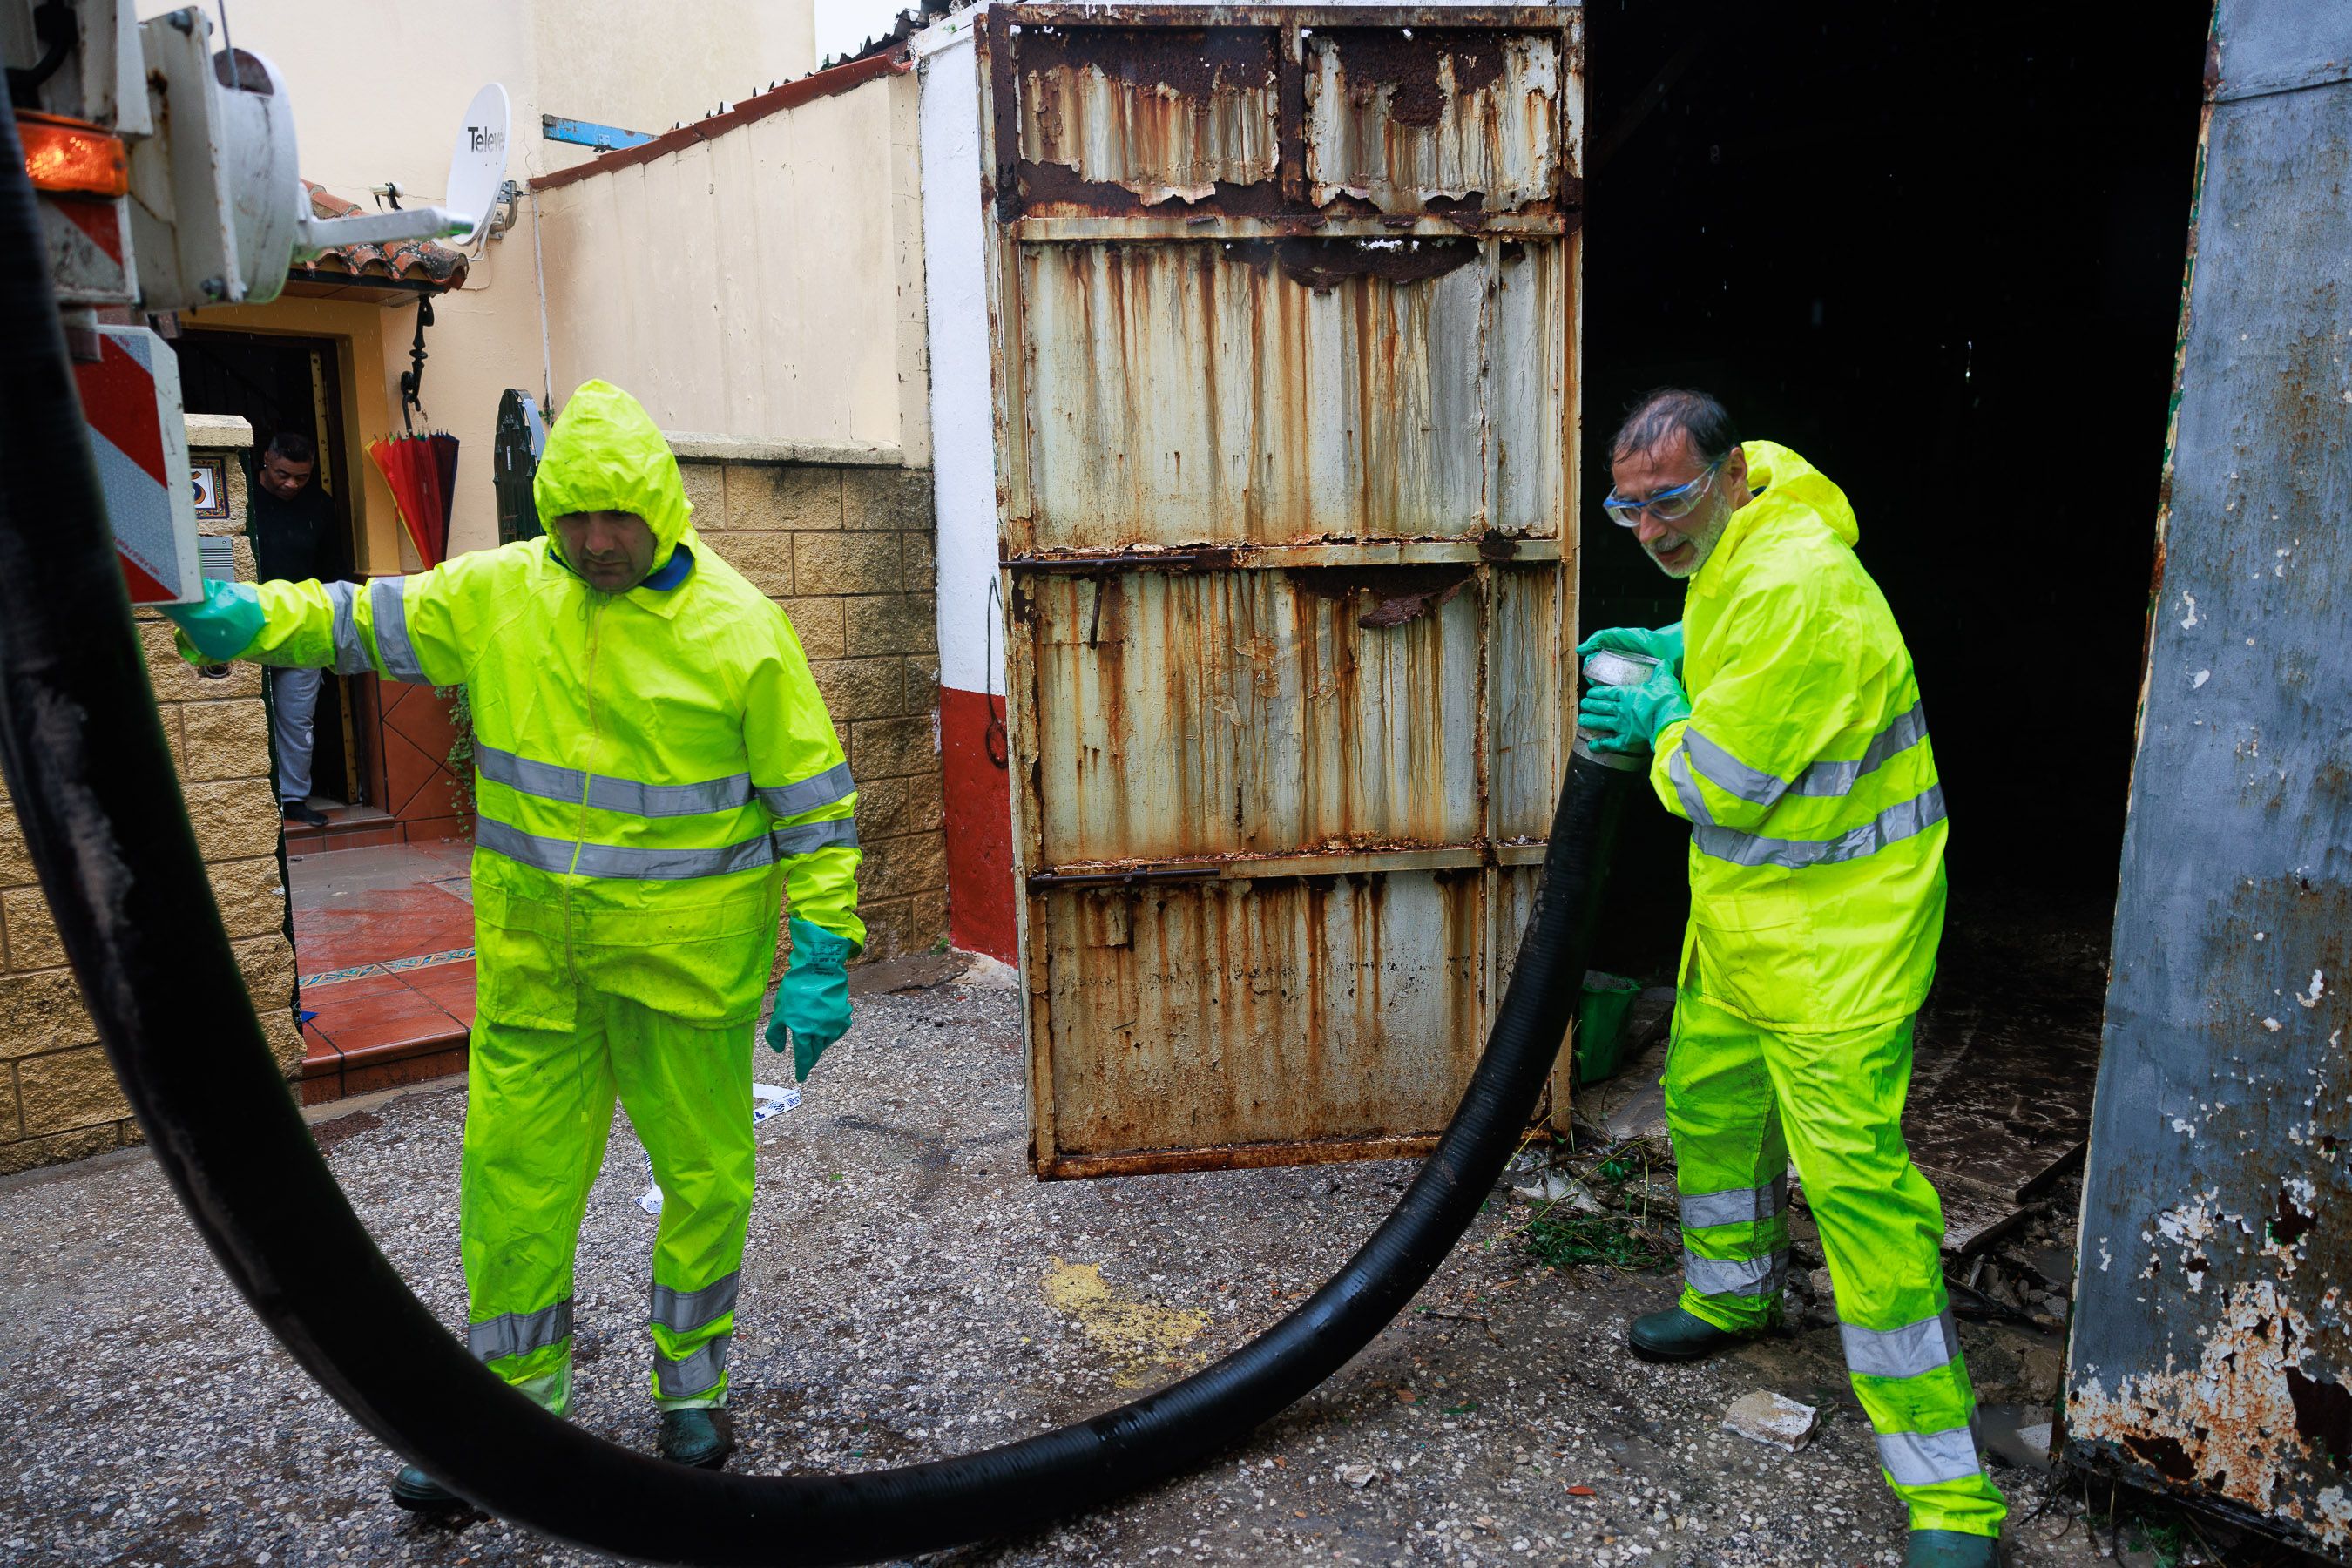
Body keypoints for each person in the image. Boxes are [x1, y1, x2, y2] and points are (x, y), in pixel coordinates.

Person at [166, 381, 865, 1504]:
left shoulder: (741, 629)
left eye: (616, 518)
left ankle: (691, 1390)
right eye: (574, 517)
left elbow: (815, 806)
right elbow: (360, 619)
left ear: (662, 510)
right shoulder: (500, 594)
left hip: (689, 975)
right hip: (541, 969)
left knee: (704, 1181)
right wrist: (253, 617)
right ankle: (507, 1420)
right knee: (511, 1188)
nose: (594, 543)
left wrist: (825, 943)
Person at [1575, 389, 1999, 1568]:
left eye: (1669, 499)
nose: (1652, 528)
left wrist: (1659, 710)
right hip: (1751, 927)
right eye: (1628, 507)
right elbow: (1735, 660)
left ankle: (1950, 1498)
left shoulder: (1797, 585)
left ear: (1729, 474)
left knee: (1859, 1196)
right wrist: (1675, 653)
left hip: (1840, 945)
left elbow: (1711, 787)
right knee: (1708, 1113)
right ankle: (1731, 1296)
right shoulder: (1739, 542)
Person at [247, 432, 338, 828]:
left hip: (304, 626)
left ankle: (293, 799)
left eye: (301, 477)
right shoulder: (240, 497)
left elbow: (334, 571)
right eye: (283, 473)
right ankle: (250, 800)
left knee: (297, 719)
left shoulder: (320, 505)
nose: (291, 484)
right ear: (266, 459)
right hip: (249, 621)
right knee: (246, 711)